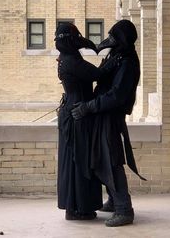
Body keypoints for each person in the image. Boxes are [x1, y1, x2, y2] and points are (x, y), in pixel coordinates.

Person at [72, 20, 146, 227]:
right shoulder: (117, 56)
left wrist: (89, 107)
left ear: (122, 38)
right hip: (101, 115)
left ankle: (124, 209)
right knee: (101, 159)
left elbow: (117, 96)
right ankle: (114, 201)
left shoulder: (128, 61)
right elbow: (100, 76)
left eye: (114, 36)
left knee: (111, 162)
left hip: (110, 116)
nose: (110, 39)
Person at [54, 22, 121, 221]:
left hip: (75, 113)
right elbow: (97, 74)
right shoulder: (71, 61)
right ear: (69, 40)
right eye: (74, 36)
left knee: (78, 160)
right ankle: (77, 208)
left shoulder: (69, 57)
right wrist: (115, 57)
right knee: (80, 160)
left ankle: (77, 207)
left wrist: (99, 48)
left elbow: (89, 62)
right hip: (77, 115)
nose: (78, 38)